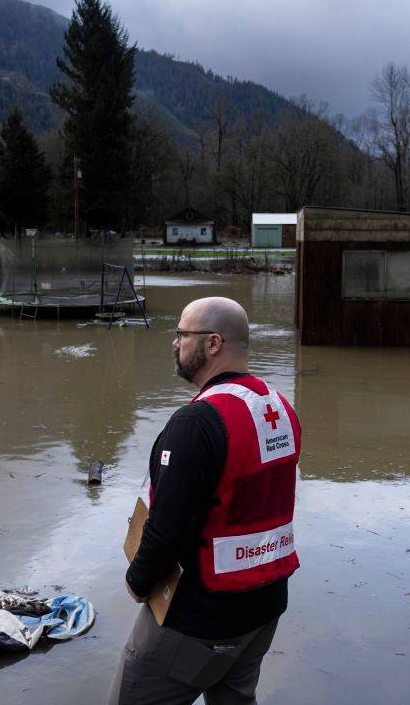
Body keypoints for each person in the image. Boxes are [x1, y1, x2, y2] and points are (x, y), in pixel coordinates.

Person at [109, 296, 302, 705]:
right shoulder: (279, 407)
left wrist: (137, 582)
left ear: (213, 343)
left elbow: (168, 528)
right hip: (265, 605)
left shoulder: (197, 422)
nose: (174, 343)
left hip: (202, 614)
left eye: (182, 334)